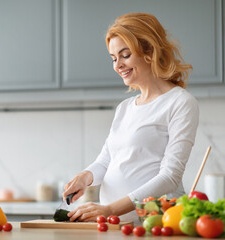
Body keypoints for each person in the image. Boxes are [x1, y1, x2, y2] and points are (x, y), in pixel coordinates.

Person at [63, 13, 199, 224]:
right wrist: (86, 176)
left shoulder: (180, 102)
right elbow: (106, 161)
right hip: (116, 225)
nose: (118, 65)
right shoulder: (125, 108)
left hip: (157, 222)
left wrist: (109, 209)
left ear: (150, 52)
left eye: (125, 55)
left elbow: (169, 177)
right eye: (114, 58)